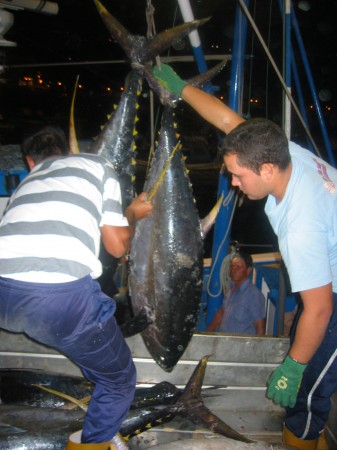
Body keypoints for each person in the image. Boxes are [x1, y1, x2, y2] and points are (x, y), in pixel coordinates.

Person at [152, 64, 335, 450]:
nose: (233, 182)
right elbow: (227, 119)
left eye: (238, 175)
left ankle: (304, 434)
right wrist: (181, 88)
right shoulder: (285, 153)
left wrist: (293, 368)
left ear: (266, 169)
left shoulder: (299, 225)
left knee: (306, 393)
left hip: (331, 298)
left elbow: (320, 309)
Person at [0, 126, 153, 449]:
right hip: (58, 301)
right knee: (118, 381)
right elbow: (115, 247)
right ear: (68, 154)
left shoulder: (26, 183)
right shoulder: (97, 166)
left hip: (3, 295)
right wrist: (132, 214)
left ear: (31, 161)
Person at [206, 251, 266, 335]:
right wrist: (207, 333)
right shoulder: (230, 289)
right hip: (224, 342)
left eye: (238, 267)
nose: (234, 270)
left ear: (248, 271)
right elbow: (222, 313)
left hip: (241, 346)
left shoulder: (254, 295)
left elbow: (260, 329)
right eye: (232, 266)